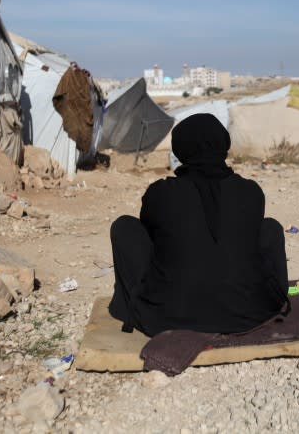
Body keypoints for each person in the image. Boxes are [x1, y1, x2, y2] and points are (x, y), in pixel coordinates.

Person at [108, 113, 289, 337]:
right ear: (223, 144)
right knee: (270, 228)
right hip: (250, 313)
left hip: (169, 316)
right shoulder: (250, 192)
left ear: (180, 149)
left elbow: (152, 237)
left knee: (124, 227)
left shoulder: (160, 193)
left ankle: (134, 307)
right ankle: (277, 299)